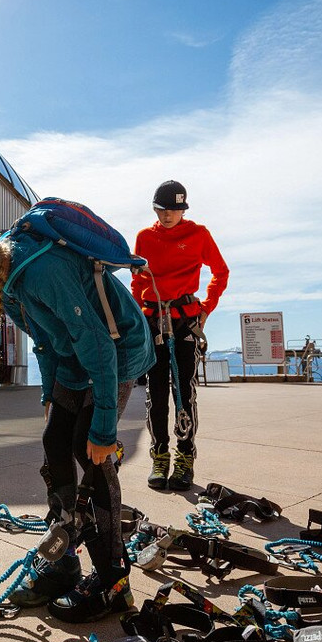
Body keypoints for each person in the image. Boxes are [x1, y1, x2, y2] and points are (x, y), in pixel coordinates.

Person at [0, 217, 154, 623]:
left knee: (91, 452)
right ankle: (63, 561)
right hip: (73, 357)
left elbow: (97, 343)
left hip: (115, 352)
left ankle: (113, 580)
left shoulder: (41, 271)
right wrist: (50, 395)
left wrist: (103, 427)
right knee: (54, 443)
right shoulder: (4, 282)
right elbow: (44, 342)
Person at [131, 180, 229, 492]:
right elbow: (136, 282)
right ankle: (159, 458)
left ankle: (185, 458)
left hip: (185, 321)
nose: (169, 215)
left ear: (183, 210)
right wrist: (137, 316)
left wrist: (206, 309)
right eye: (163, 209)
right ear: (155, 209)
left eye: (175, 209)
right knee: (155, 394)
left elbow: (220, 271)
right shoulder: (144, 238)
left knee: (183, 393)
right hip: (153, 322)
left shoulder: (198, 234)